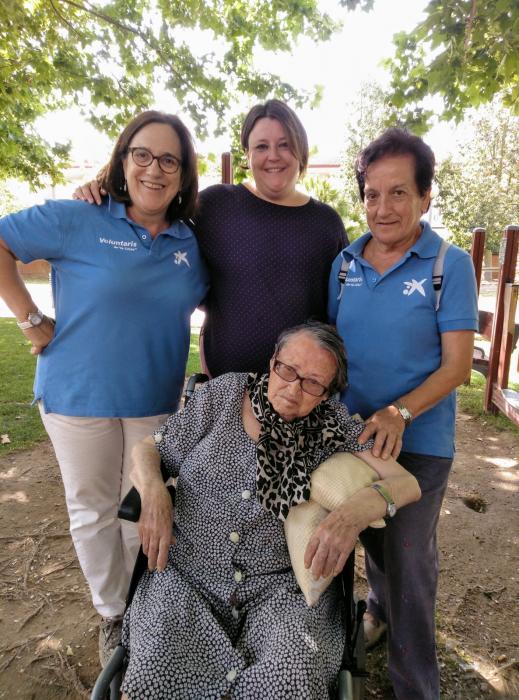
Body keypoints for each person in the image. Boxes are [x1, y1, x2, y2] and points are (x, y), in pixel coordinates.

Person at [0, 110, 208, 665]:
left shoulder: (193, 242)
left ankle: (144, 606)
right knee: (93, 510)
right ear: (122, 161)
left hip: (154, 401)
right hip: (78, 396)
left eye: (169, 160)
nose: (154, 169)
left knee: (142, 507)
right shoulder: (78, 216)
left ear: (184, 174)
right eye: (142, 155)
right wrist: (29, 318)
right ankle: (114, 614)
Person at [119, 322, 421, 700]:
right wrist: (153, 491)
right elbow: (150, 448)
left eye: (313, 383)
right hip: (187, 576)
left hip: (279, 590)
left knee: (291, 677)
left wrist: (353, 514)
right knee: (153, 676)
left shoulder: (334, 426)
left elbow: (407, 484)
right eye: (287, 370)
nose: (293, 389)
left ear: (328, 393)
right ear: (273, 360)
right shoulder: (224, 394)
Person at [328, 128, 478, 699]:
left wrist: (399, 412)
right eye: (372, 194)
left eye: (399, 193)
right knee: (372, 539)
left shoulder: (447, 264)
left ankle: (415, 686)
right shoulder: (344, 264)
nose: (383, 208)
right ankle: (379, 611)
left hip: (420, 444)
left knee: (410, 561)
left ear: (425, 196)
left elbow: (458, 367)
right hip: (355, 438)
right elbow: (333, 347)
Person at [74, 99, 348, 376]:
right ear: (247, 154)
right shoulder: (216, 206)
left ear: (301, 149)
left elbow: (343, 310)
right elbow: (149, 215)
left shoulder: (326, 223)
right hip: (225, 386)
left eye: (285, 144)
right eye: (261, 146)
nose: (273, 156)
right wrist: (106, 190)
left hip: (301, 389)